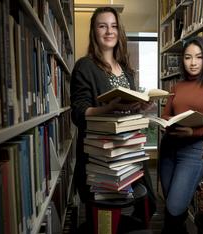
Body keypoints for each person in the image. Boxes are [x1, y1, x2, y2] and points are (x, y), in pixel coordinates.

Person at [70, 6, 156, 232]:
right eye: (102, 26)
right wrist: (107, 108)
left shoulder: (127, 71)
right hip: (101, 157)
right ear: (94, 32)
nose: (109, 31)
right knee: (103, 219)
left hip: (128, 151)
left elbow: (130, 111)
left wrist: (143, 107)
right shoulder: (85, 66)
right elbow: (78, 113)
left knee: (145, 203)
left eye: (114, 26)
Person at [159, 36, 203, 234]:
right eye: (188, 57)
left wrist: (193, 131)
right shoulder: (177, 86)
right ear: (183, 60)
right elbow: (166, 113)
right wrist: (165, 122)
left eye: (198, 57)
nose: (193, 62)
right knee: (171, 207)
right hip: (169, 147)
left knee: (175, 206)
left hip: (195, 150)